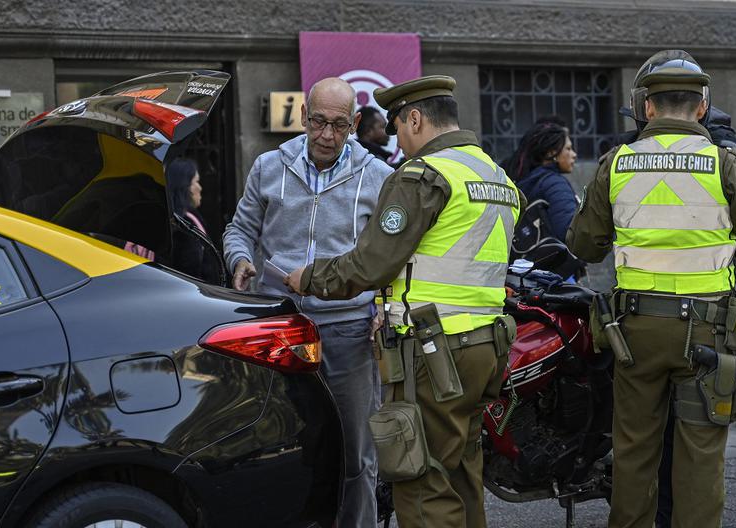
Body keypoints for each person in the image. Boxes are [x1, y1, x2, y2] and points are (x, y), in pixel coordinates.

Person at [284, 75, 524, 528]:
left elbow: (370, 265)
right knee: (463, 473)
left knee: (422, 480)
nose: (399, 140)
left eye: (398, 126)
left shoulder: (422, 177)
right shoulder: (495, 175)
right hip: (486, 348)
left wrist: (308, 278)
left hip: (434, 354)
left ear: (415, 118)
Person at [568, 51, 736, 528]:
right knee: (701, 453)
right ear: (702, 107)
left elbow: (584, 244)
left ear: (647, 107)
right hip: (707, 331)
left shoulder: (616, 163)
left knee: (634, 449)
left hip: (634, 332)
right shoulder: (726, 163)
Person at [222, 77, 392, 527]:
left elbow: (394, 256)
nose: (327, 135)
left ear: (355, 124)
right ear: (303, 117)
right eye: (318, 122)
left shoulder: (378, 177)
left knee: (356, 452)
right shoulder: (268, 166)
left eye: (339, 125)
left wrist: (382, 302)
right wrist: (240, 259)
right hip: (279, 327)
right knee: (272, 446)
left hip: (349, 331)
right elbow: (240, 229)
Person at [164, 158, 224, 285]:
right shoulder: (184, 225)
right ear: (185, 186)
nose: (200, 188)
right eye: (196, 182)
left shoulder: (187, 219)